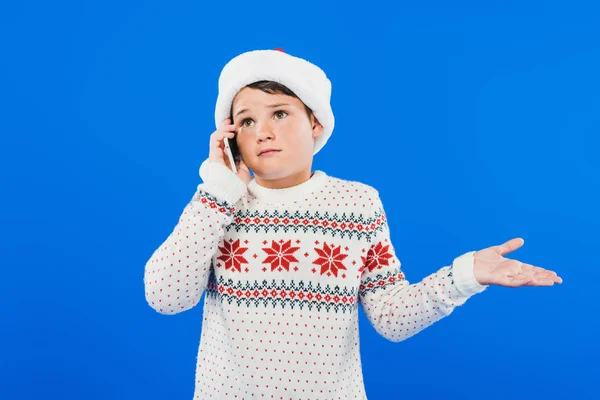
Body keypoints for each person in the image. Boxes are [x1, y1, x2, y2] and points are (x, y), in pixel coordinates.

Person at [143, 48, 562, 399]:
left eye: (280, 114)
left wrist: (465, 275)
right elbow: (165, 296)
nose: (263, 132)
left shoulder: (357, 205)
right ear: (231, 137)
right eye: (247, 121)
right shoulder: (216, 208)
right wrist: (217, 190)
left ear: (316, 123)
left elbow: (392, 318)